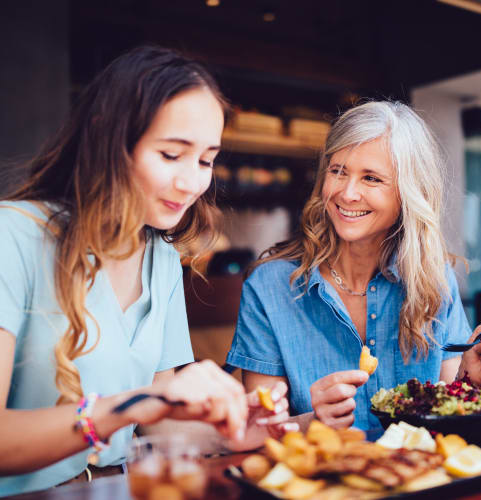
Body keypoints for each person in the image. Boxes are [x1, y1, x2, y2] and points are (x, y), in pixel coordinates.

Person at [0, 46, 295, 496]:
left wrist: (230, 431)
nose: (193, 182)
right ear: (109, 141)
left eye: (205, 160)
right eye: (172, 154)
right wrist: (134, 405)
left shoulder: (159, 259)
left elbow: (158, 429)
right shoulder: (13, 236)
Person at [226, 100, 481, 432]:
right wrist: (314, 421)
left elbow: (447, 416)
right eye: (338, 171)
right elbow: (256, 430)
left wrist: (469, 381)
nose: (347, 193)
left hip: (421, 480)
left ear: (408, 194)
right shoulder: (269, 287)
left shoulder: (434, 280)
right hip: (322, 481)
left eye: (371, 178)